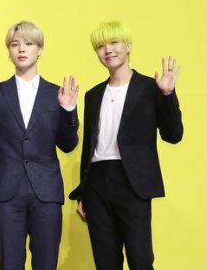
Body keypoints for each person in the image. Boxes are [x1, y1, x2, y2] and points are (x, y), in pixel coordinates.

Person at [69, 21, 183, 270]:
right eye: (101, 46)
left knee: (140, 259)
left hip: (132, 182)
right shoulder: (92, 95)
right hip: (97, 182)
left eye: (114, 42)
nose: (108, 50)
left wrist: (167, 95)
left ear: (128, 46)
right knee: (105, 262)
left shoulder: (150, 88)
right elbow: (89, 147)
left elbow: (173, 134)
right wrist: (83, 193)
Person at [0, 21, 79, 269]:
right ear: (8, 51)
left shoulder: (58, 94)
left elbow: (68, 144)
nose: (21, 49)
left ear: (40, 49)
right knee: (9, 264)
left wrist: (68, 109)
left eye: (29, 43)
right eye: (15, 44)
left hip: (47, 193)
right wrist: (5, 164)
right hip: (7, 194)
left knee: (46, 264)